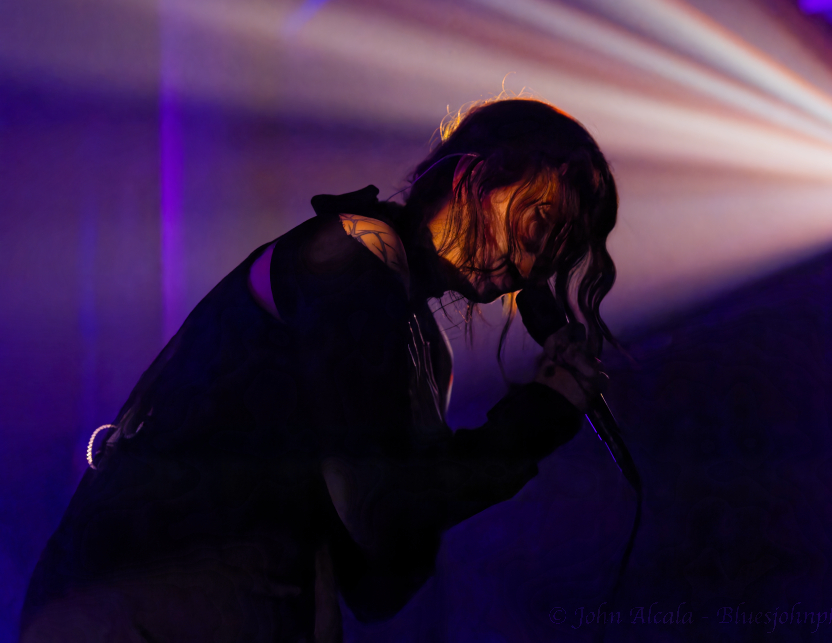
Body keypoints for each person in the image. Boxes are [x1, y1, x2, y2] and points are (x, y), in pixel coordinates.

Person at [19, 98, 619, 642]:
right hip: (138, 604)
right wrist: (534, 420)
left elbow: (382, 578)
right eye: (538, 226)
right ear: (474, 174)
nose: (531, 265)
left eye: (558, 254)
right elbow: (379, 509)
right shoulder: (354, 249)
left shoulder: (426, 352)